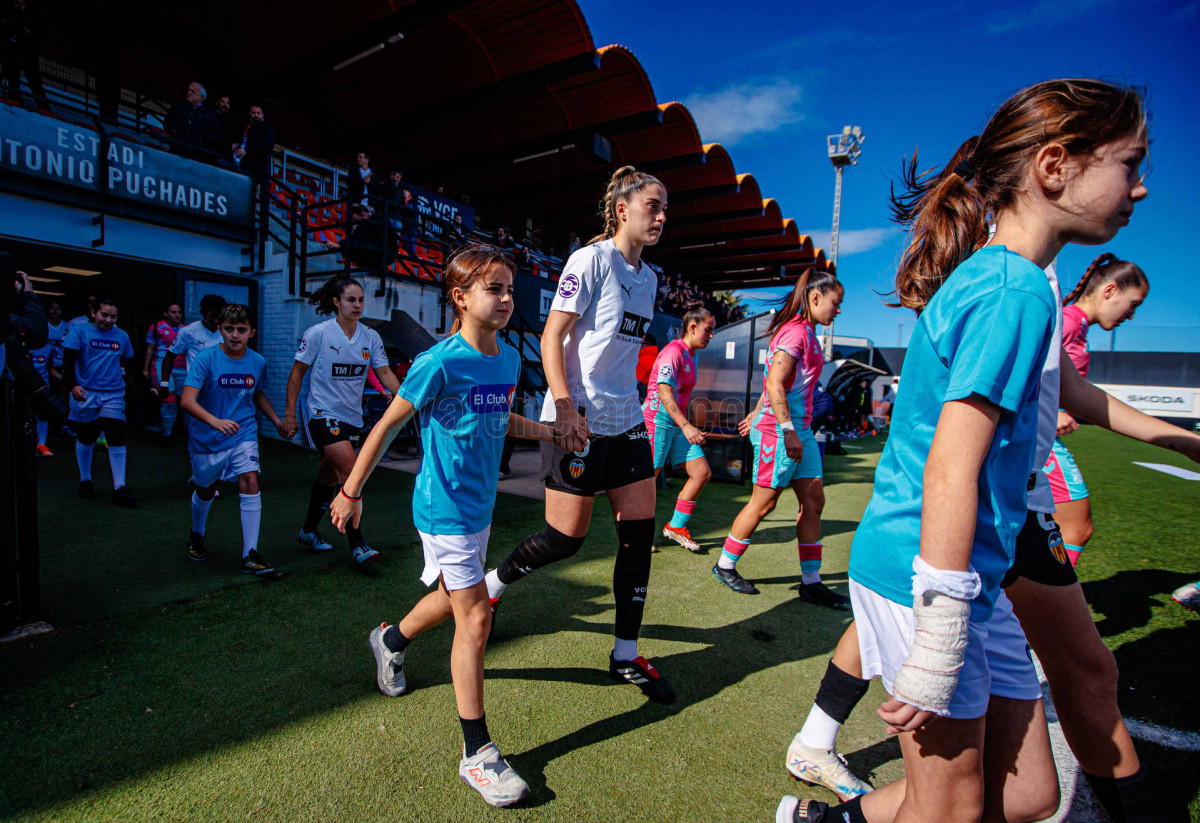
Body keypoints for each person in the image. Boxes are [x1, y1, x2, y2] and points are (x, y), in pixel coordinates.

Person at [778, 77, 1151, 823]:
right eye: (1129, 163)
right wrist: (941, 630)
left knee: (1029, 793)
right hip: (926, 575)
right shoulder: (1015, 289)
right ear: (1055, 166)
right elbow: (953, 462)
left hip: (968, 574)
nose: (1139, 188)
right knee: (948, 808)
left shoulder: (1004, 278)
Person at [782, 255, 1200, 823]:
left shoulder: (1025, 280)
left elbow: (1061, 392)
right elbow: (950, 460)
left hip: (998, 514)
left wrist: (1178, 440)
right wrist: (936, 649)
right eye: (1132, 302)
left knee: (1015, 789)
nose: (1130, 315)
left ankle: (820, 764)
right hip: (982, 514)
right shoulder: (1015, 284)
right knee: (959, 790)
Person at [331, 246, 561, 807]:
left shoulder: (508, 359)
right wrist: (350, 491)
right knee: (476, 616)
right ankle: (477, 753)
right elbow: (387, 426)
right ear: (460, 297)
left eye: (509, 290)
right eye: (493, 289)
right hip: (443, 509)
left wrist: (552, 432)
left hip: (480, 506)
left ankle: (390, 640)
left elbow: (497, 417)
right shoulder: (438, 362)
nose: (506, 300)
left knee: (452, 597)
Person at [482, 166, 674, 703]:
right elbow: (551, 338)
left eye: (665, 208)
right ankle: (492, 588)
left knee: (639, 539)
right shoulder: (590, 261)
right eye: (653, 206)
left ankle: (625, 654)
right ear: (622, 210)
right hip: (579, 420)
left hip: (628, 421)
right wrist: (565, 409)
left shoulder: (650, 279)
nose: (661, 216)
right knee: (564, 539)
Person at [721, 269, 846, 604]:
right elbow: (775, 381)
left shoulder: (808, 333)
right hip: (780, 431)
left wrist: (757, 412)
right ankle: (725, 565)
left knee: (814, 502)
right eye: (835, 303)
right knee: (764, 503)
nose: (838, 310)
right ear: (816, 298)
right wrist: (786, 430)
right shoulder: (795, 332)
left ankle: (811, 582)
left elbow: (778, 383)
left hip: (799, 430)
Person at [283, 273, 400, 564]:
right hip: (322, 414)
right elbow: (297, 373)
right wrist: (289, 414)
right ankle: (358, 545)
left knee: (328, 475)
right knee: (350, 471)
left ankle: (308, 531)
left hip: (352, 419)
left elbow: (385, 373)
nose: (357, 305)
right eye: (351, 300)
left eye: (361, 300)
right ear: (336, 302)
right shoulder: (318, 334)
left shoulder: (370, 337)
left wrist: (408, 398)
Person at [1043, 253, 1148, 568]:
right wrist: (1050, 413)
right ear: (1110, 290)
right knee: (1077, 526)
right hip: (1040, 437)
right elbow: (1022, 365)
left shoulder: (1076, 325)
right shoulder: (1068, 322)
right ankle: (1056, 598)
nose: (1131, 315)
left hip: (1041, 435)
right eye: (1133, 304)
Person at [180, 304, 286, 572]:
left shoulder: (258, 361)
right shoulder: (206, 358)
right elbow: (187, 400)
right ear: (220, 330)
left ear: (251, 332)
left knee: (250, 480)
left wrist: (277, 422)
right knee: (205, 490)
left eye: (241, 329)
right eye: (229, 329)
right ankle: (197, 533)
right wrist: (215, 421)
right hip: (206, 438)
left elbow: (257, 394)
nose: (235, 335)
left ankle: (250, 553)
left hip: (243, 432)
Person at [644, 302, 715, 552]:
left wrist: (686, 424)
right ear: (693, 327)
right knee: (647, 481)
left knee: (701, 472)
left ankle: (675, 526)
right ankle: (637, 536)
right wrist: (686, 426)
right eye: (708, 330)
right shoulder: (673, 352)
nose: (711, 335)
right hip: (656, 422)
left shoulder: (693, 356)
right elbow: (664, 392)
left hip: (675, 423)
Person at [62, 297, 136, 506]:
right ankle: (85, 479)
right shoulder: (79, 331)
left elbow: (128, 362)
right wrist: (73, 385)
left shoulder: (122, 336)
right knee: (87, 436)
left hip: (113, 393)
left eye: (113, 316)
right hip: (86, 392)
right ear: (94, 313)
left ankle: (120, 487)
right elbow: (68, 362)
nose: (109, 320)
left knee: (116, 434)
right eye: (105, 315)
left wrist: (137, 385)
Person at [143, 302, 183, 436]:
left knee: (184, 400)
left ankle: (180, 431)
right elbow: (150, 348)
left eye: (179, 312)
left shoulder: (185, 329)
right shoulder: (157, 327)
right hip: (161, 364)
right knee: (168, 399)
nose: (177, 315)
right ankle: (167, 434)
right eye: (173, 312)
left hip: (181, 367)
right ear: (166, 313)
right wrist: (145, 368)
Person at [164, 81, 220, 161]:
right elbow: (167, 122)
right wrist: (174, 133)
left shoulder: (209, 115)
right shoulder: (179, 106)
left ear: (202, 96)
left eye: (193, 92)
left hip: (196, 154)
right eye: (189, 90)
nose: (189, 93)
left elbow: (216, 135)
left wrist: (202, 141)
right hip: (176, 149)